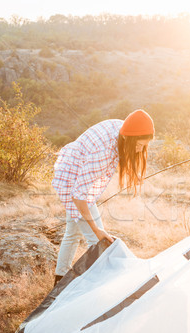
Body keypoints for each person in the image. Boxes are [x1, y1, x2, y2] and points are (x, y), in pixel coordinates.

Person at [52, 109, 154, 285]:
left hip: (76, 176)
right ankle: (100, 288)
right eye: (139, 145)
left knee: (72, 233)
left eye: (144, 146)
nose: (140, 150)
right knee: (97, 241)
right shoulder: (104, 153)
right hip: (71, 181)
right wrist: (97, 229)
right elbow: (78, 195)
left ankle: (59, 280)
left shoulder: (123, 128)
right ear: (128, 140)